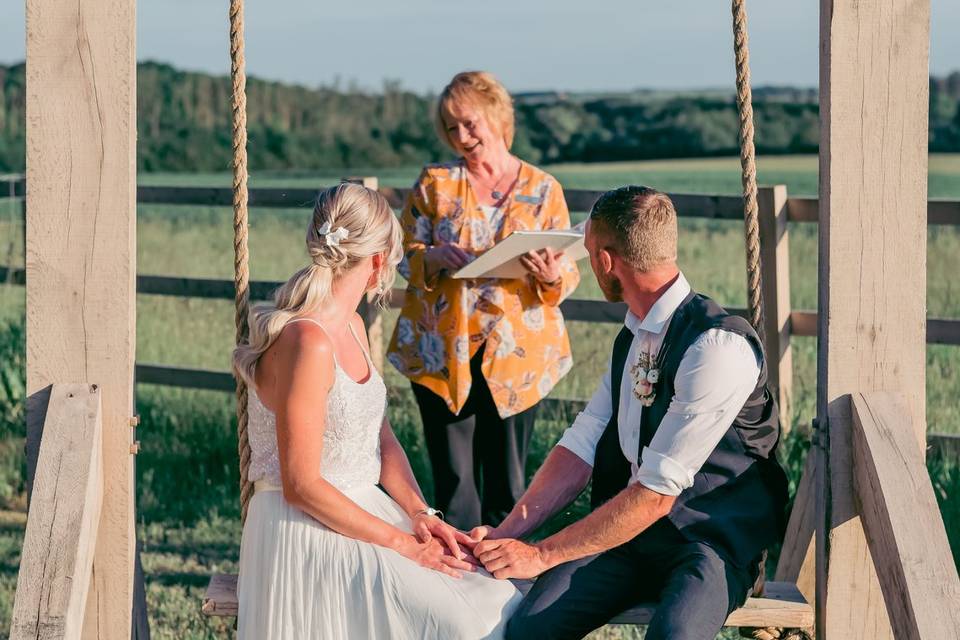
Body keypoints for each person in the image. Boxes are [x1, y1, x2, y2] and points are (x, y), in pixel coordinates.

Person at [471, 186, 790, 640]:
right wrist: (506, 533)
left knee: (673, 636)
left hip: (708, 540)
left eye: (588, 254)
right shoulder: (634, 335)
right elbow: (581, 446)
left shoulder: (717, 347)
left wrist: (540, 555)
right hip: (627, 537)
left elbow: (657, 494)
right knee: (528, 629)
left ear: (605, 261)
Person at [233, 183, 521, 639]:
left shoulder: (351, 325)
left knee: (497, 598)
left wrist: (421, 515)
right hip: (308, 529)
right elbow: (301, 485)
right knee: (460, 623)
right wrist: (403, 545)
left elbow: (381, 439)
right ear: (379, 262)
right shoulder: (306, 342)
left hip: (366, 511)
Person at [387, 71, 580, 530]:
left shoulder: (543, 189)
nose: (461, 137)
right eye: (451, 128)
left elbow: (564, 275)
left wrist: (552, 275)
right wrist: (432, 257)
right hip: (441, 353)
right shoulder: (434, 184)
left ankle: (505, 586)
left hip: (518, 356)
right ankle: (453, 585)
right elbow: (400, 257)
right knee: (454, 489)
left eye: (469, 123)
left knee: (509, 489)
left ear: (496, 116)